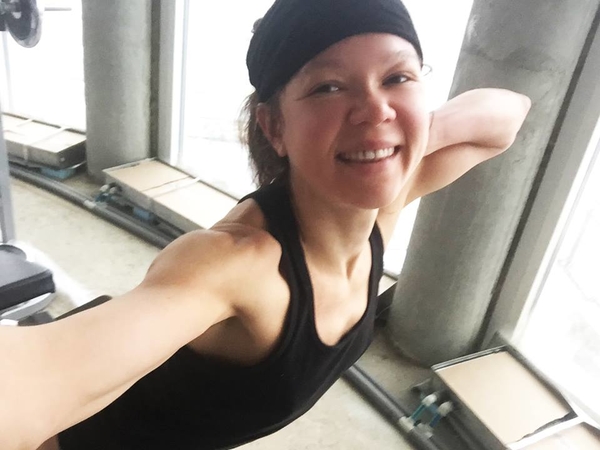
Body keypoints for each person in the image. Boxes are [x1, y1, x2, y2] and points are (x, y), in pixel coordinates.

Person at [1, 0, 530, 449]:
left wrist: (397, 138)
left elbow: (508, 115)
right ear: (275, 126)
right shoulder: (236, 264)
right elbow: (26, 391)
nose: (374, 109)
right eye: (328, 87)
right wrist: (391, 137)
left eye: (397, 78)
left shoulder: (375, 214)